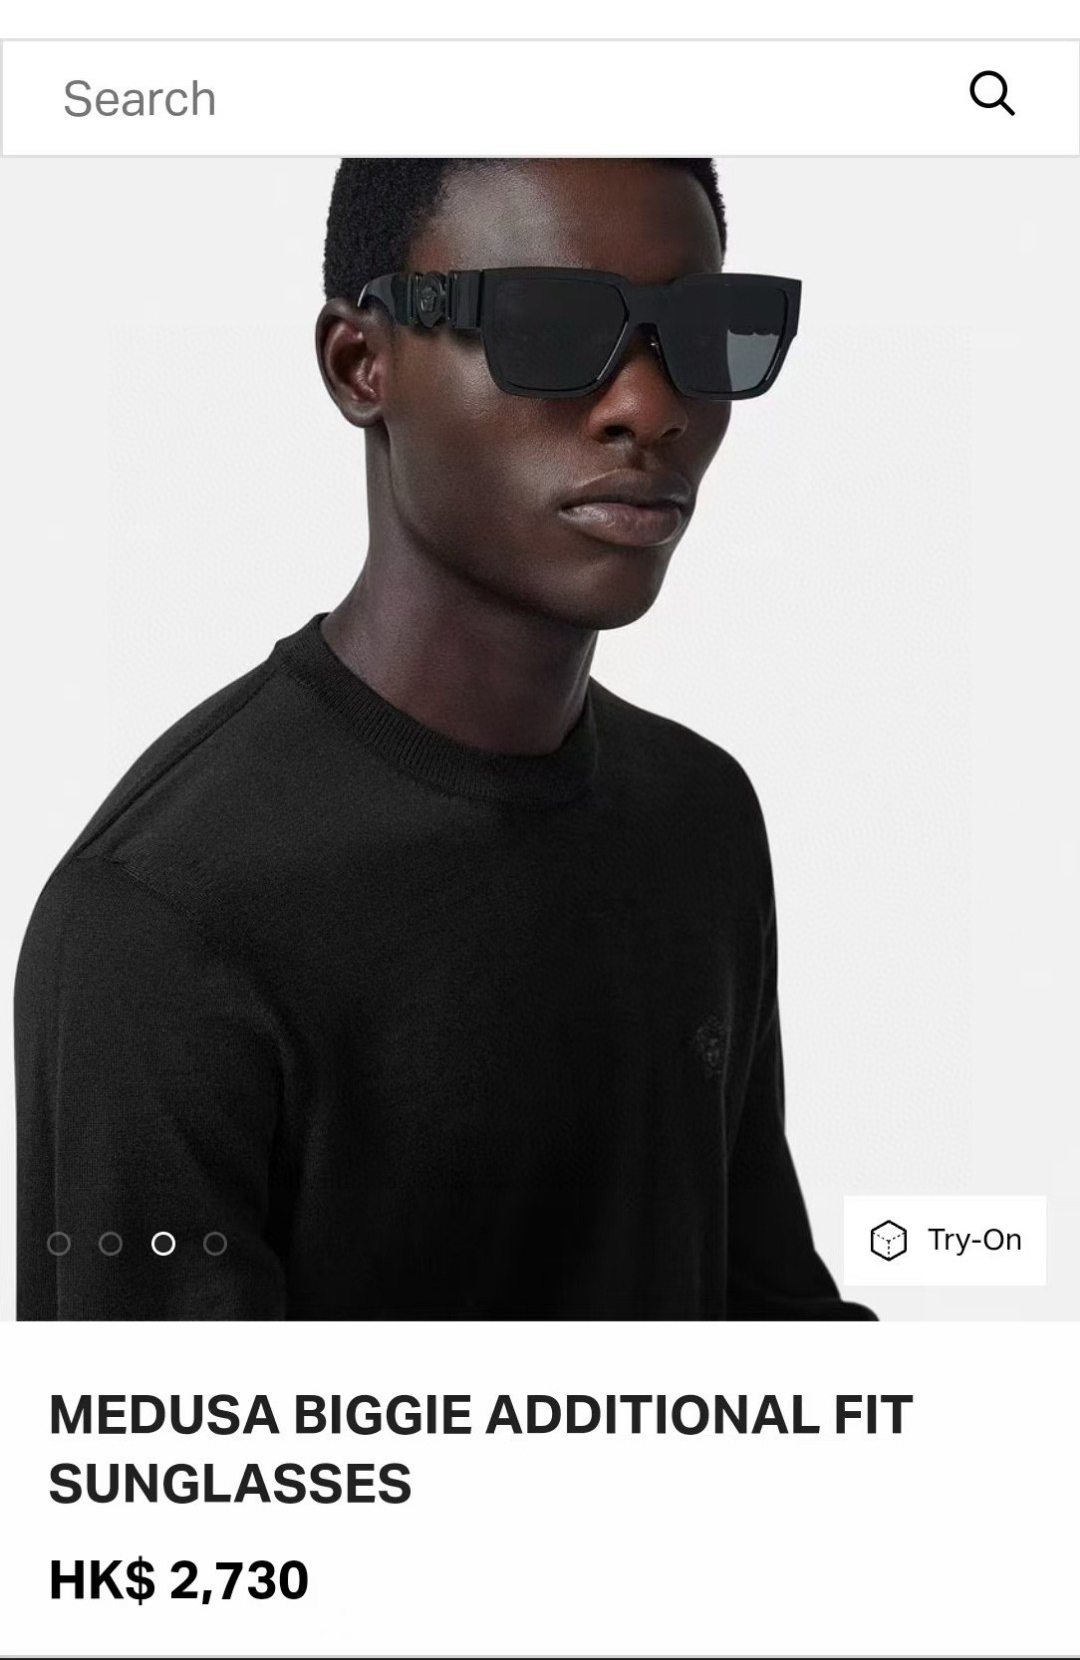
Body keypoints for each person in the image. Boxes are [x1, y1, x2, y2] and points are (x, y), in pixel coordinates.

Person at [15, 157, 874, 1321]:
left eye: (701, 331)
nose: (649, 404)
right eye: (549, 325)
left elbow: (773, 1321)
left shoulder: (698, 812)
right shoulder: (167, 916)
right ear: (359, 363)